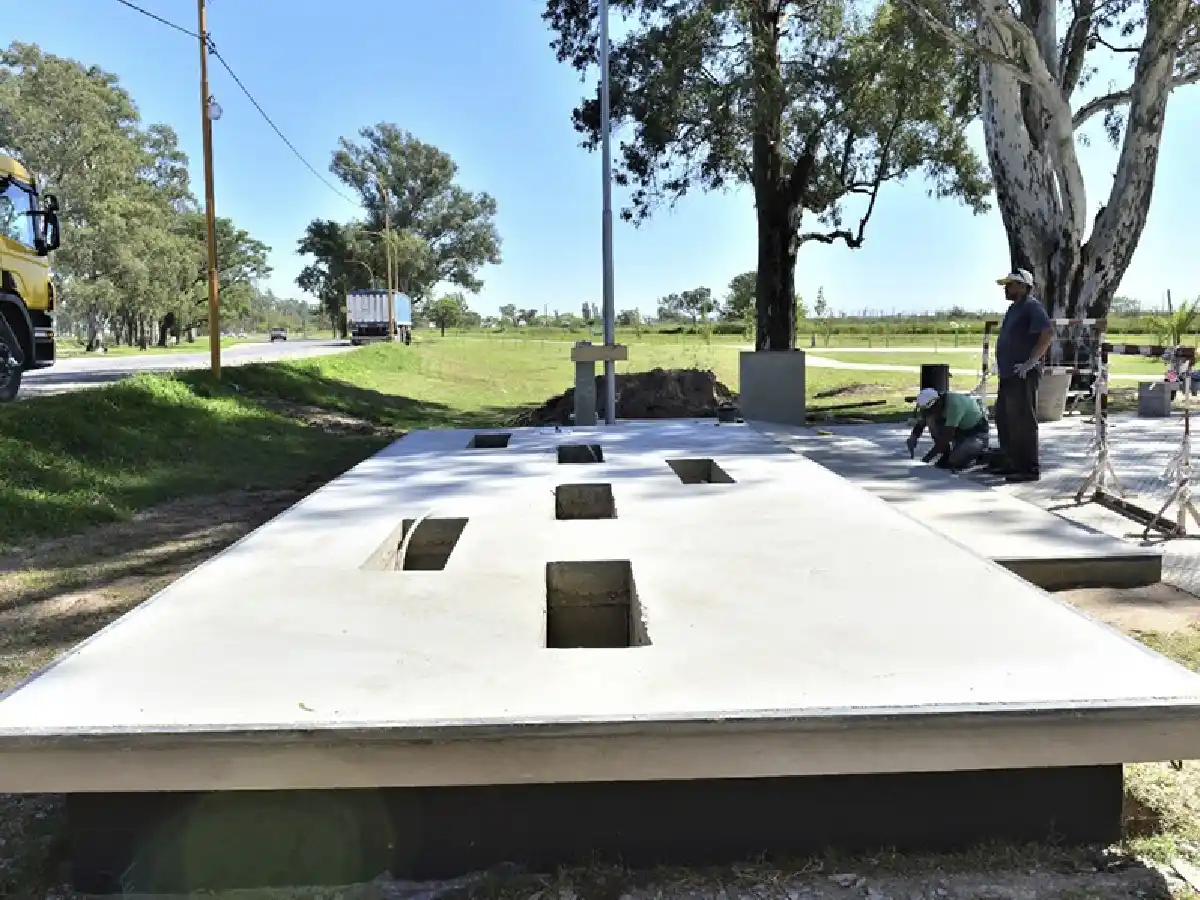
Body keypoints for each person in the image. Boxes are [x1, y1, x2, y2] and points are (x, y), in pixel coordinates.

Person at [990, 269, 1054, 483]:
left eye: (1010, 285)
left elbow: (1047, 333)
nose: (1006, 289)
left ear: (1023, 286)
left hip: (1023, 374)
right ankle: (1011, 463)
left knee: (1023, 421)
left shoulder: (1032, 307)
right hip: (1008, 373)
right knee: (1004, 419)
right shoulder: (1012, 309)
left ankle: (1028, 468)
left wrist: (1031, 362)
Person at [906, 387, 990, 471]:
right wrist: (913, 437)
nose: (928, 413)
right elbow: (921, 422)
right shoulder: (936, 404)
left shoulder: (954, 405)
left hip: (977, 434)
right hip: (960, 432)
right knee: (931, 420)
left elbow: (946, 437)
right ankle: (947, 453)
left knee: (955, 461)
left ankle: (981, 454)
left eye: (930, 410)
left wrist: (926, 460)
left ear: (937, 403)